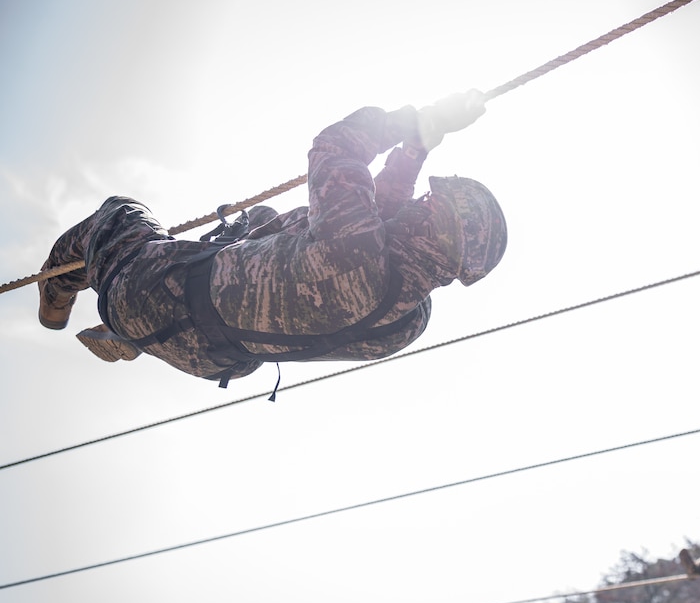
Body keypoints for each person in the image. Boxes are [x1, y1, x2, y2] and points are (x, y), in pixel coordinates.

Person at [36, 90, 507, 387]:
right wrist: (415, 149)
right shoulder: (407, 312)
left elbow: (335, 148)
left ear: (438, 228)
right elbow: (381, 220)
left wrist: (411, 122)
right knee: (261, 221)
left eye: (431, 205)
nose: (421, 202)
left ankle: (54, 300)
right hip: (209, 356)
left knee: (121, 213)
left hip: (147, 294)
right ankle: (132, 330)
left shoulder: (361, 256)